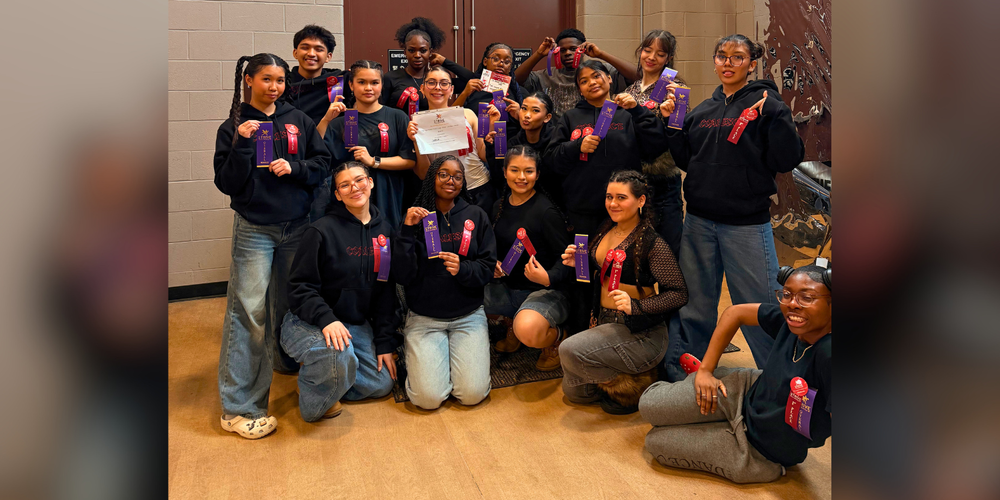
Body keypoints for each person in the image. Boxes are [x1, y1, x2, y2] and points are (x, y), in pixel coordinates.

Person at [656, 34, 805, 380]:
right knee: (696, 305)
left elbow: (788, 159)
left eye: (737, 57)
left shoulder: (766, 105)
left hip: (746, 227)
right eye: (721, 56)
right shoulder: (703, 111)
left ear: (751, 65)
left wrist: (777, 113)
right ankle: (686, 376)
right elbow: (687, 161)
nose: (728, 63)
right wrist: (672, 126)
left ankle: (779, 380)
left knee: (761, 306)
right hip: (699, 222)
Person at [213, 53, 330, 439]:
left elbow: (321, 165)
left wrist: (294, 168)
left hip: (296, 227)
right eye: (266, 79)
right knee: (249, 313)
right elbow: (227, 183)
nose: (275, 87)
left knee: (292, 305)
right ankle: (239, 407)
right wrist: (243, 143)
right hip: (255, 230)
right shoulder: (232, 127)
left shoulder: (297, 120)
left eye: (280, 80)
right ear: (249, 80)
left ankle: (288, 368)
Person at [639, 264, 832, 484]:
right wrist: (705, 371)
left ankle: (711, 419)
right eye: (787, 294)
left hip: (759, 450)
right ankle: (703, 390)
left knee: (656, 441)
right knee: (648, 403)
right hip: (748, 389)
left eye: (807, 298)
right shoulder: (790, 320)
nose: (792, 305)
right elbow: (735, 313)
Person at [558, 171, 687, 415]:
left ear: (640, 201)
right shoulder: (607, 227)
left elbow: (679, 293)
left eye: (621, 197)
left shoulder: (652, 242)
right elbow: (606, 268)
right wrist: (581, 261)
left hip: (639, 331)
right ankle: (620, 375)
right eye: (609, 197)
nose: (613, 204)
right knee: (575, 393)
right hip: (605, 323)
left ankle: (637, 378)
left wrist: (636, 307)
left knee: (567, 350)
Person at [280, 162, 401, 422]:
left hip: (353, 324)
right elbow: (300, 288)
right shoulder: (320, 230)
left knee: (381, 384)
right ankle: (318, 383)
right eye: (344, 185)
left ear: (370, 183)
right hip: (309, 320)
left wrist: (384, 343)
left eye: (359, 180)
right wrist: (327, 320)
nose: (353, 188)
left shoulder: (385, 232)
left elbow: (384, 292)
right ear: (337, 194)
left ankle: (325, 377)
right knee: (337, 355)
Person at [393, 155, 497, 410]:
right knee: (427, 399)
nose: (451, 181)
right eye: (444, 174)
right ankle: (419, 360)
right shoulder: (415, 218)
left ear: (463, 183)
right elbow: (402, 275)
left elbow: (487, 267)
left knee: (472, 394)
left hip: (468, 316)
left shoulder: (477, 215)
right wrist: (407, 231)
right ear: (432, 178)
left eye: (457, 176)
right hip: (425, 319)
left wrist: (463, 268)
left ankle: (446, 363)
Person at [546, 59, 664, 239]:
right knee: (583, 263)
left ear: (609, 78)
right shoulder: (570, 118)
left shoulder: (628, 113)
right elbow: (551, 159)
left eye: (596, 76)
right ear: (579, 90)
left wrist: (638, 111)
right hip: (582, 209)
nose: (591, 83)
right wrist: (577, 146)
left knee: (624, 262)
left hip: (625, 207)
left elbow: (656, 146)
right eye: (583, 81)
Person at [484, 145, 572, 371]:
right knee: (463, 295)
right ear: (504, 172)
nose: (521, 177)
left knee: (529, 330)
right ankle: (511, 321)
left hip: (545, 292)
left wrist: (548, 277)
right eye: (514, 170)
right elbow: (496, 246)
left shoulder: (546, 212)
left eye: (528, 171)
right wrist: (491, 263)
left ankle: (557, 337)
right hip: (507, 288)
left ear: (538, 174)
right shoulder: (498, 206)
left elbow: (568, 261)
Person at [318, 60, 416, 230]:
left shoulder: (397, 117)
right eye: (361, 82)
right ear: (351, 85)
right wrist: (326, 119)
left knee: (385, 244)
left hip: (388, 192)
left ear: (381, 85)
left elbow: (409, 161)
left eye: (374, 82)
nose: (368, 88)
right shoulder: (340, 122)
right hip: (352, 195)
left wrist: (373, 161)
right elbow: (319, 154)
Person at [620, 29, 685, 254]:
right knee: (640, 251)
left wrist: (676, 108)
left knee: (668, 251)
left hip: (663, 179)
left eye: (660, 54)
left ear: (668, 59)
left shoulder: (673, 88)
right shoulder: (631, 89)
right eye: (647, 50)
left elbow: (678, 132)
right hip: (634, 177)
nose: (651, 57)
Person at [406, 65, 494, 215]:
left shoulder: (468, 114)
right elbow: (423, 174)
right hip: (444, 192)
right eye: (431, 82)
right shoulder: (417, 123)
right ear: (422, 88)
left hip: (478, 186)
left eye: (444, 83)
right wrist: (415, 141)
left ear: (452, 89)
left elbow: (482, 154)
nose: (438, 88)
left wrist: (492, 128)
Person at [514, 29, 635, 118]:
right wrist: (539, 54)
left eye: (573, 49)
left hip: (595, 129)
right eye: (562, 50)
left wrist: (601, 54)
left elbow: (637, 76)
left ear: (582, 50)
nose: (567, 53)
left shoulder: (599, 72)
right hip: (558, 135)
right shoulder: (546, 75)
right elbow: (515, 80)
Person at [383, 17, 472, 116]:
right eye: (411, 50)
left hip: (433, 130)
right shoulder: (390, 78)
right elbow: (381, 110)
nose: (417, 55)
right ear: (405, 52)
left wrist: (444, 61)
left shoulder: (438, 82)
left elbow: (473, 79)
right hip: (399, 130)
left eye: (423, 50)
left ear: (431, 52)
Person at [483, 91, 558, 200]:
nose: (527, 115)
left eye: (535, 111)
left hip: (552, 201)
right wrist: (491, 147)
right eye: (524, 108)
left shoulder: (555, 141)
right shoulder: (514, 143)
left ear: (547, 117)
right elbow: (499, 178)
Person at [283, 24, 351, 124]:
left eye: (319, 50)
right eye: (305, 48)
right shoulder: (283, 82)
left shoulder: (339, 80)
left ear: (328, 56)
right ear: (295, 53)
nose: (311, 53)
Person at [455, 42, 526, 115]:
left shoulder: (519, 92)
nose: (501, 64)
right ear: (485, 62)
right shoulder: (471, 87)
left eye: (507, 61)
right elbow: (449, 119)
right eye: (496, 59)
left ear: (510, 67)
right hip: (476, 126)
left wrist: (519, 115)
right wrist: (464, 94)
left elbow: (531, 123)